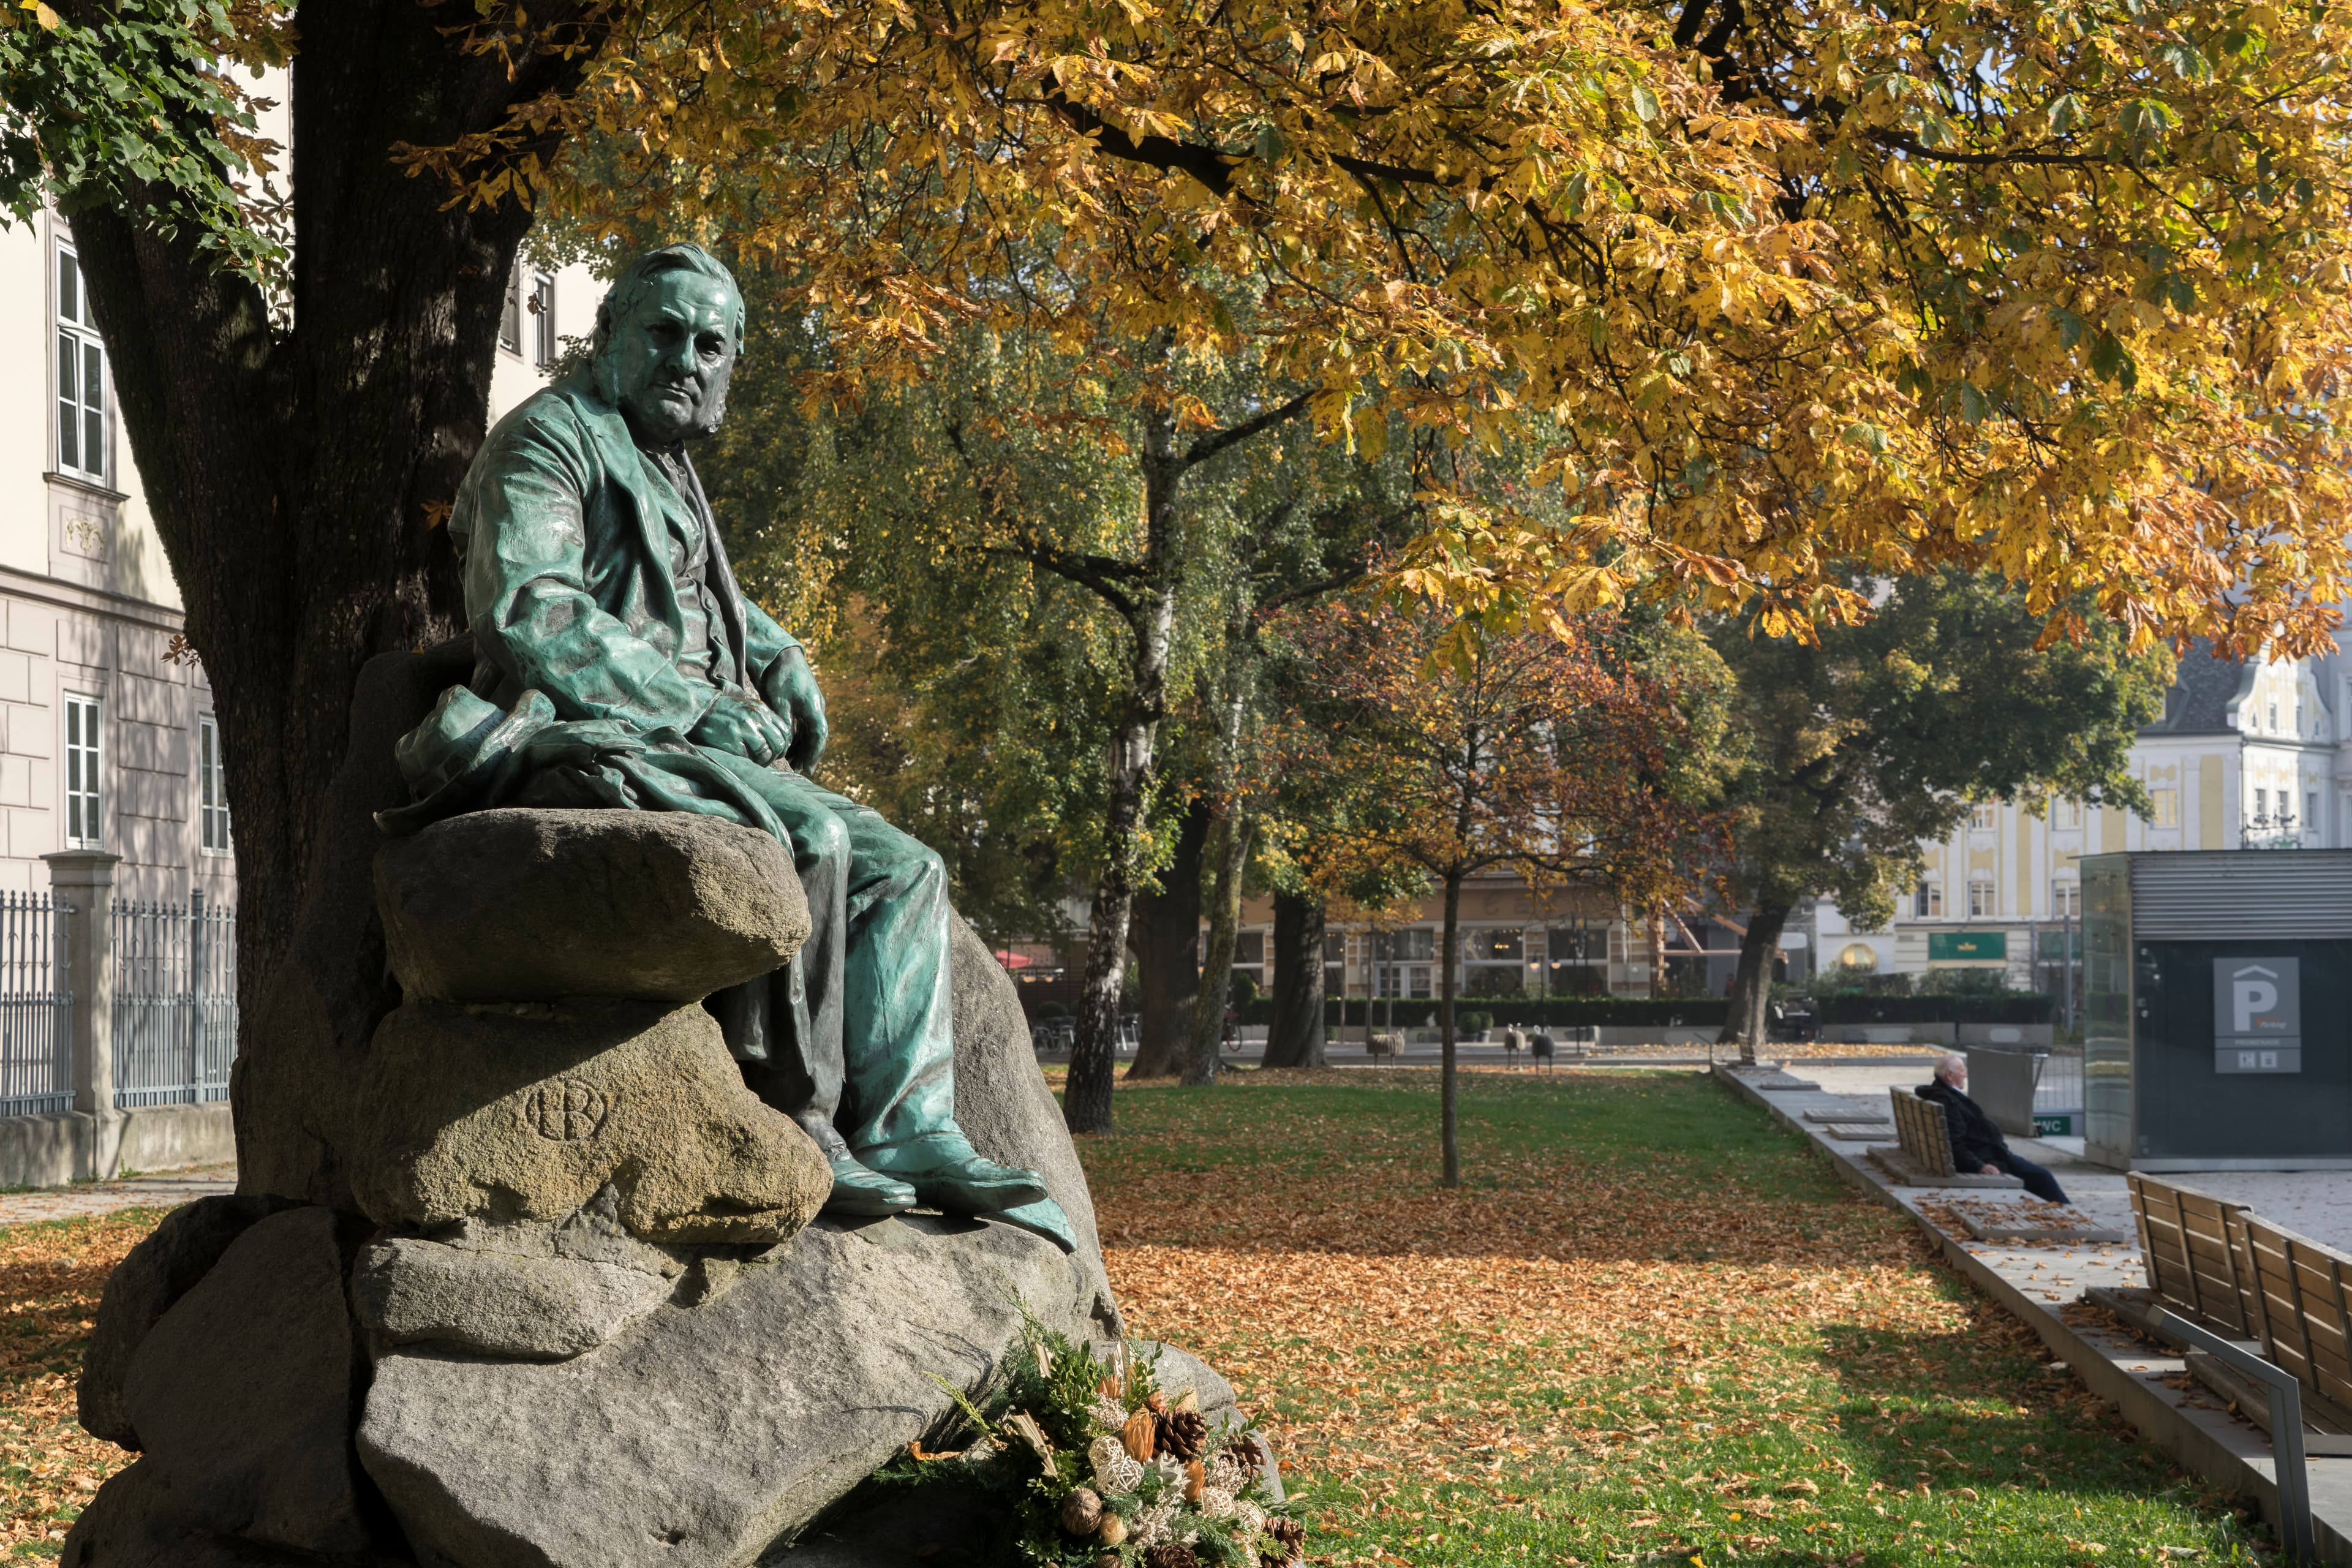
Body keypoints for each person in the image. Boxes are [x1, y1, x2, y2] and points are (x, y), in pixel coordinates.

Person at [382, 243, 1065, 1244]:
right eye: (663, 333)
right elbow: (530, 609)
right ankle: (801, 1118)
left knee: (907, 866)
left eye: (713, 345)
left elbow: (698, 599)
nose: (688, 359)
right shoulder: (550, 439)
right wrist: (695, 705)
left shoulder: (671, 467)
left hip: (687, 740)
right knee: (814, 847)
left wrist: (778, 655)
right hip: (591, 730)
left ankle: (911, 1125)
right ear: (608, 338)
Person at [1917, 1052, 2069, 1204]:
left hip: (1988, 1154)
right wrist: (1980, 1166)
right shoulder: (1949, 1101)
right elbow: (1956, 1144)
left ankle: (2068, 1213)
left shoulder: (1943, 1095)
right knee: (2042, 1176)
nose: (1966, 1075)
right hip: (1986, 1159)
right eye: (1962, 1071)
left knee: (2039, 1175)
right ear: (1950, 1075)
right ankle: (2072, 1216)